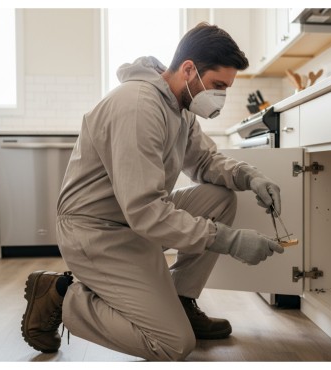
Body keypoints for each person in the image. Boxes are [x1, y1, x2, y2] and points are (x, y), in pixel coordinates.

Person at [20, 22, 284, 361]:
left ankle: (180, 300)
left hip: (131, 221)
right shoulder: (138, 106)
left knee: (219, 198)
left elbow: (205, 161)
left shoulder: (179, 108)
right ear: (189, 69)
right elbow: (146, 211)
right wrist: (231, 241)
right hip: (97, 231)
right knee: (173, 344)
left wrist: (250, 176)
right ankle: (61, 295)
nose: (220, 96)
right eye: (218, 85)